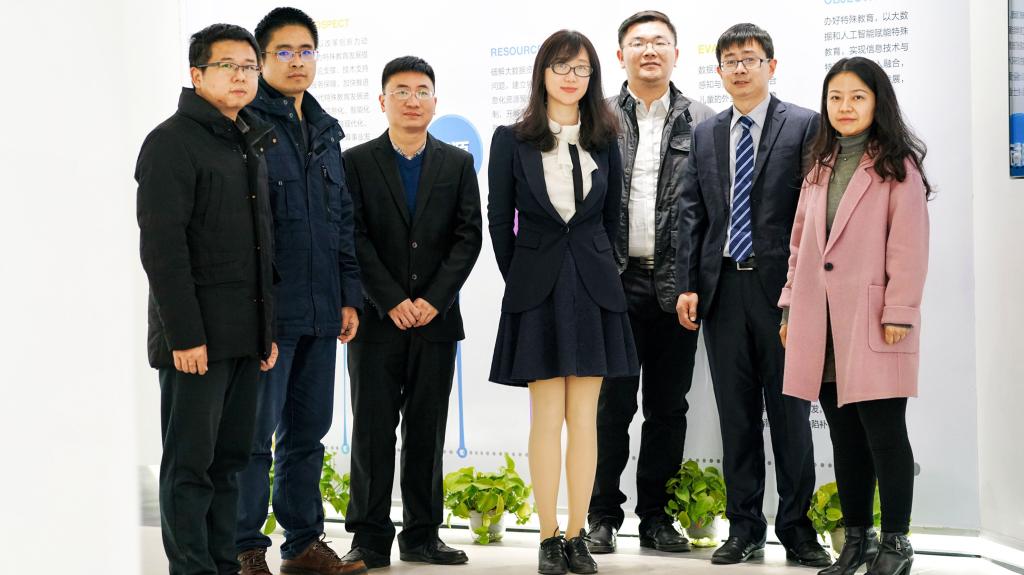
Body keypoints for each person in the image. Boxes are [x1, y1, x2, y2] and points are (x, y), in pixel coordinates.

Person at [673, 23, 831, 567]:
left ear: (771, 66)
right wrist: (687, 283)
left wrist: (803, 291)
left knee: (790, 415)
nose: (740, 68)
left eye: (750, 58)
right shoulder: (706, 133)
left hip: (782, 293)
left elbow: (814, 213)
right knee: (735, 416)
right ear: (719, 71)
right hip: (722, 291)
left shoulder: (805, 125)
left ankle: (797, 529)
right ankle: (744, 528)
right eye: (731, 61)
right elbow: (691, 213)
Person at [488, 29, 639, 575]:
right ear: (543, 73)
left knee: (587, 419)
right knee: (546, 418)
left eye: (581, 69)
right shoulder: (511, 139)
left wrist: (598, 266)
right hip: (537, 289)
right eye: (561, 66)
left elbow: (613, 217)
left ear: (592, 77)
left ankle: (578, 535)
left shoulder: (606, 138)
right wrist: (523, 278)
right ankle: (548, 536)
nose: (571, 77)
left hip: (595, 287)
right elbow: (498, 221)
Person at [136, 23, 279, 575]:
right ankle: (191, 568)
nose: (241, 76)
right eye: (228, 66)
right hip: (196, 341)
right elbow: (163, 250)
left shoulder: (248, 141)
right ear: (197, 75)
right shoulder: (170, 143)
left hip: (244, 336)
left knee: (231, 463)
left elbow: (262, 247)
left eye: (249, 67)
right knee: (191, 466)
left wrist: (265, 332)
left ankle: (223, 564)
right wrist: (185, 335)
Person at [779, 56, 931, 575]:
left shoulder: (897, 167)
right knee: (844, 437)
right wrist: (789, 306)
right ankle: (859, 540)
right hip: (819, 322)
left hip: (873, 320)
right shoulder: (820, 165)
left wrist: (900, 310)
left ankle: (897, 543)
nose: (845, 107)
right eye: (836, 98)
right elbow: (799, 244)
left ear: (877, 102)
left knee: (884, 435)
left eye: (857, 97)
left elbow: (909, 247)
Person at [233, 8, 366, 575]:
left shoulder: (326, 129)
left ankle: (304, 544)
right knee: (254, 437)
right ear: (262, 59)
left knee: (308, 434)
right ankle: (245, 547)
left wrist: (348, 294)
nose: (297, 62)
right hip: (269, 314)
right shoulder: (245, 124)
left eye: (306, 51)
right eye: (284, 52)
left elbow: (341, 221)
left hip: (320, 309)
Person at [340, 56, 482, 570]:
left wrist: (432, 300)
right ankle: (369, 538)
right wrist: (391, 299)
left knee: (427, 429)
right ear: (382, 101)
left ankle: (423, 535)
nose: (412, 100)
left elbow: (468, 237)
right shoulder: (356, 162)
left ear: (435, 102)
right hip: (376, 322)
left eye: (422, 91)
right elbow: (352, 236)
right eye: (401, 91)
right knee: (372, 431)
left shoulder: (456, 163)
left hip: (435, 322)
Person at [587, 10, 714, 555]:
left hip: (676, 288)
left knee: (668, 408)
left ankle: (656, 518)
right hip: (613, 283)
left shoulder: (703, 120)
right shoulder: (597, 118)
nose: (649, 51)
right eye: (638, 43)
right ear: (620, 56)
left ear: (676, 54)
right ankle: (600, 515)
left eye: (660, 42)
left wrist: (695, 281)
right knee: (610, 406)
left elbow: (710, 211)